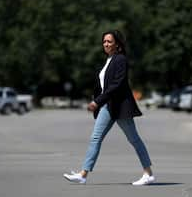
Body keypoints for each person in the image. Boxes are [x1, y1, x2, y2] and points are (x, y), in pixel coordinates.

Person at [63, 30, 155, 186]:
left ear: (117, 44)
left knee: (134, 139)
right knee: (95, 138)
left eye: (109, 41)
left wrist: (97, 101)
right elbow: (104, 85)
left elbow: (117, 85)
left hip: (120, 107)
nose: (106, 44)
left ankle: (148, 173)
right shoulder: (109, 60)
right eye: (104, 41)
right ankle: (83, 174)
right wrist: (99, 100)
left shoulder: (121, 60)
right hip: (107, 106)